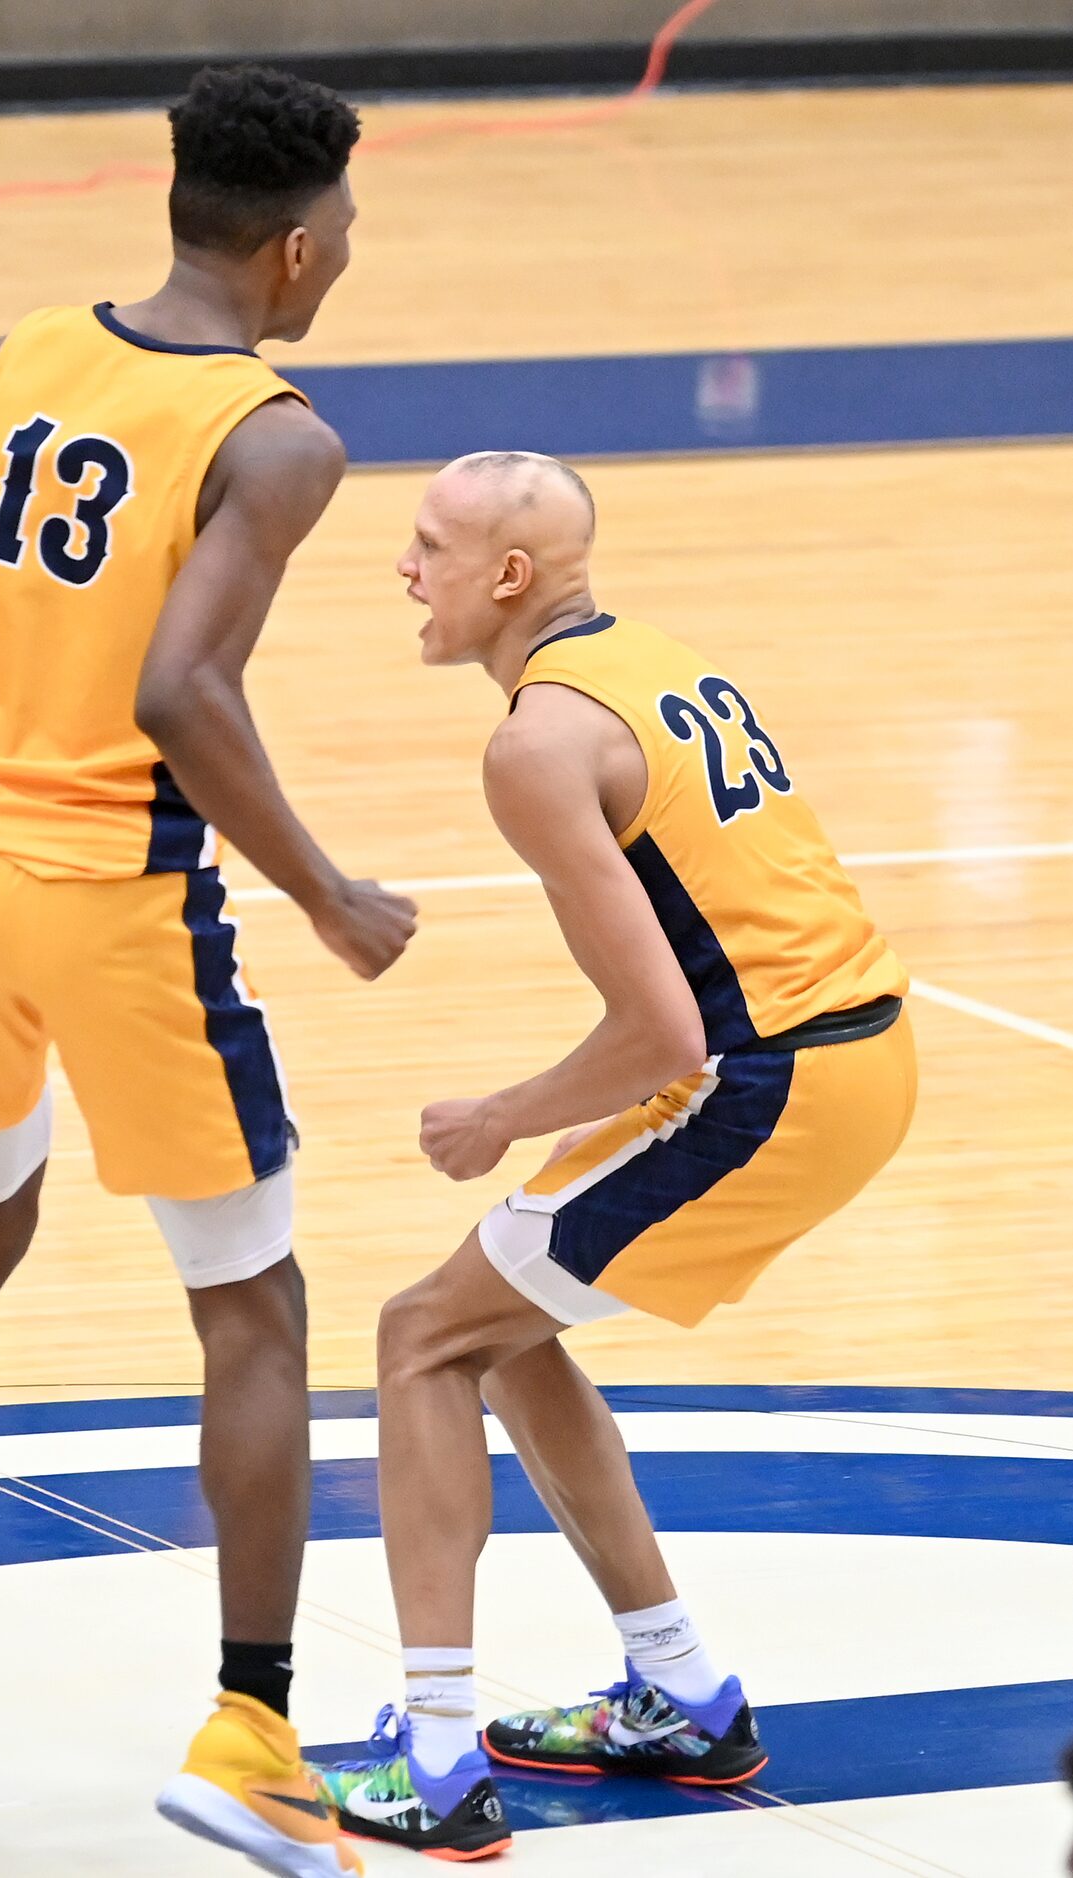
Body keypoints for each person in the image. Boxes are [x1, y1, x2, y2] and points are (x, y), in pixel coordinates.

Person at [0, 64, 416, 1878]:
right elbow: (177, 692)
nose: (345, 259)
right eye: (349, 232)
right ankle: (251, 1727)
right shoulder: (273, 434)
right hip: (111, 890)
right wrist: (320, 890)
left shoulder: (8, 361)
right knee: (252, 1303)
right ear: (296, 245)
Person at [311, 453, 914, 1859]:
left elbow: (657, 1031)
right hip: (852, 1052)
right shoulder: (649, 659)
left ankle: (443, 1764)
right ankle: (685, 1694)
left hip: (765, 1081)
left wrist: (496, 1114)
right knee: (506, 1330)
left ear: (508, 576)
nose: (404, 568)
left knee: (418, 1339)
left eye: (428, 545)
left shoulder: (532, 745)